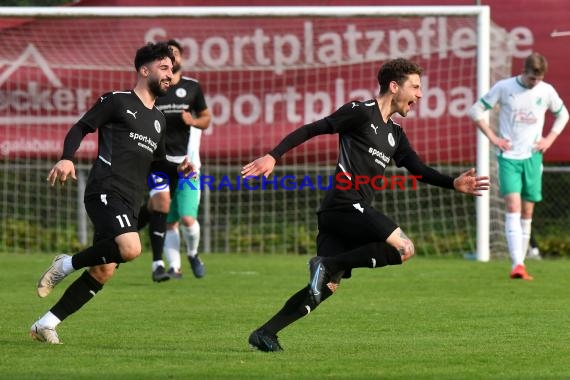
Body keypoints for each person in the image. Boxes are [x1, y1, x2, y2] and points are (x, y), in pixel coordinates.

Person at [241, 58, 490, 352]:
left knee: (324, 288)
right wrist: (274, 155)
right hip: (344, 205)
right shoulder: (359, 112)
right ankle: (328, 264)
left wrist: (453, 183)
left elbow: (418, 169)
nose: (420, 95)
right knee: (404, 248)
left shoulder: (395, 134)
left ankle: (266, 333)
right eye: (416, 87)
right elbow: (312, 129)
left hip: (345, 214)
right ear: (394, 87)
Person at [30, 42, 194, 344]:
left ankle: (45, 323)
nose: (170, 74)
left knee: (104, 270)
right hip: (105, 189)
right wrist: (67, 157)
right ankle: (65, 264)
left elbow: (155, 166)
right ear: (144, 70)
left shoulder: (158, 120)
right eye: (164, 68)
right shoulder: (117, 101)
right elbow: (81, 127)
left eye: (172, 69)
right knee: (131, 248)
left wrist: (177, 171)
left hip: (130, 201)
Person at [469, 52, 568, 280]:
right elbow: (476, 111)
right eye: (533, 78)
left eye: (539, 79)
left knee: (528, 211)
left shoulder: (546, 91)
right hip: (509, 157)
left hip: (533, 158)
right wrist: (494, 138)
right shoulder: (504, 87)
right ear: (524, 72)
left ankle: (521, 263)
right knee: (512, 205)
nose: (536, 83)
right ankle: (518, 264)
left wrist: (549, 140)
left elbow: (563, 115)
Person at [140, 39, 211, 282]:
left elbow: (206, 119)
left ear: (180, 59)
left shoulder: (192, 87)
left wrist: (193, 122)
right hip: (158, 163)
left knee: (188, 219)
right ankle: (171, 267)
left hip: (188, 164)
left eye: (175, 54)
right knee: (166, 215)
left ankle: (192, 253)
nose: (172, 59)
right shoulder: (155, 89)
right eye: (167, 56)